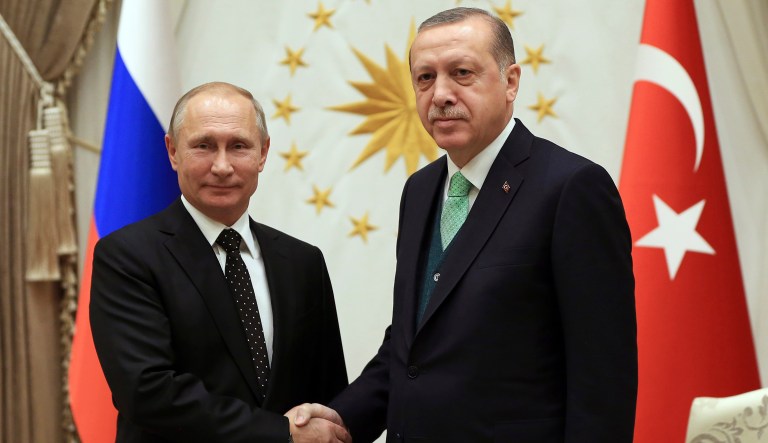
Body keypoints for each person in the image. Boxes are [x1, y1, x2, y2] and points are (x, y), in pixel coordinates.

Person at [291, 7, 637, 443]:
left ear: (511, 82)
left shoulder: (572, 188)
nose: (440, 94)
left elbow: (603, 379)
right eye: (425, 78)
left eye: (461, 73)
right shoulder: (419, 190)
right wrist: (338, 421)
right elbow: (413, 345)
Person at [90, 82, 350, 443]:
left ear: (263, 153)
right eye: (204, 145)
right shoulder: (127, 256)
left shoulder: (303, 262)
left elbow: (327, 392)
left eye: (239, 146)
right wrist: (279, 433)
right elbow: (147, 392)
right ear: (172, 151)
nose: (223, 166)